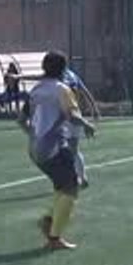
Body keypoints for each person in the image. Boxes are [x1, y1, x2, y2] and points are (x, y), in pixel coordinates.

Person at [18, 51, 96, 250]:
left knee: (61, 186)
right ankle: (54, 237)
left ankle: (50, 220)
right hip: (53, 148)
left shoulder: (36, 90)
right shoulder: (62, 89)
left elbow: (21, 120)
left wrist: (34, 136)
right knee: (72, 187)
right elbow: (72, 115)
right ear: (63, 69)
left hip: (35, 150)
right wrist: (87, 124)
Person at [62, 65, 99, 188]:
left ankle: (74, 178)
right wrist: (94, 108)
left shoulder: (57, 76)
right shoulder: (73, 75)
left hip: (64, 115)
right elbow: (85, 91)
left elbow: (39, 78)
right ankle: (82, 177)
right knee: (73, 149)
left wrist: (20, 77)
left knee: (64, 150)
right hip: (76, 114)